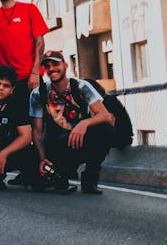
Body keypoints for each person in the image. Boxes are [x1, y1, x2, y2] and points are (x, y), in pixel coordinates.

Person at [30, 51, 114, 194]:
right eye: (47, 66)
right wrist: (42, 158)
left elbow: (105, 115)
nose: (51, 69)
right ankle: (59, 175)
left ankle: (90, 178)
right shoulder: (38, 93)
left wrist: (84, 124)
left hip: (79, 141)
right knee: (39, 183)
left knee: (105, 129)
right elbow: (37, 131)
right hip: (55, 145)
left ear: (65, 65)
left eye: (55, 64)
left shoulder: (81, 86)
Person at [0, 0, 49, 127]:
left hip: (30, 78)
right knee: (14, 124)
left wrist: (35, 73)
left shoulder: (29, 9)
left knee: (39, 123)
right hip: (8, 82)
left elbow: (40, 42)